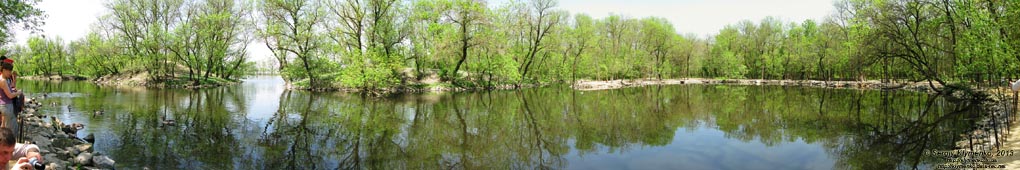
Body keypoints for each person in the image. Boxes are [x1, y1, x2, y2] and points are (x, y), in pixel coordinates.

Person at [0, 62, 21, 137]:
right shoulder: (3, 80)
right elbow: (10, 95)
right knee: (10, 130)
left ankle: (4, 145)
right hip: (6, 106)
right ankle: (10, 146)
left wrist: (14, 78)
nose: (10, 73)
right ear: (4, 70)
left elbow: (11, 87)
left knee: (4, 127)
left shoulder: (5, 79)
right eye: (9, 71)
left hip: (4, 105)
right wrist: (18, 93)